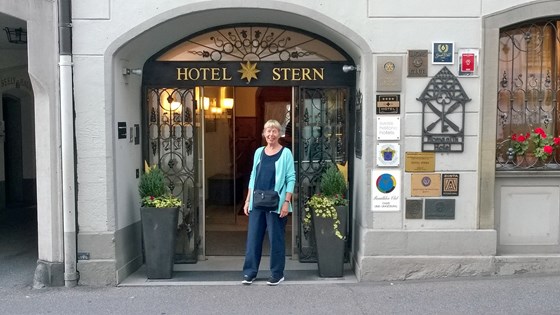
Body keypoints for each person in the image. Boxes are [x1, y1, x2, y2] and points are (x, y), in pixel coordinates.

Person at [242, 119, 296, 286]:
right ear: (264, 134)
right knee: (253, 239)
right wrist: (247, 200)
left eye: (274, 131)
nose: (271, 134)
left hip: (276, 204)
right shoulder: (259, 152)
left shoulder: (286, 153)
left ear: (279, 134)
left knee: (276, 239)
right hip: (257, 202)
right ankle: (250, 272)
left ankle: (277, 273)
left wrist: (286, 201)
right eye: (268, 131)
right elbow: (253, 176)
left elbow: (290, 178)